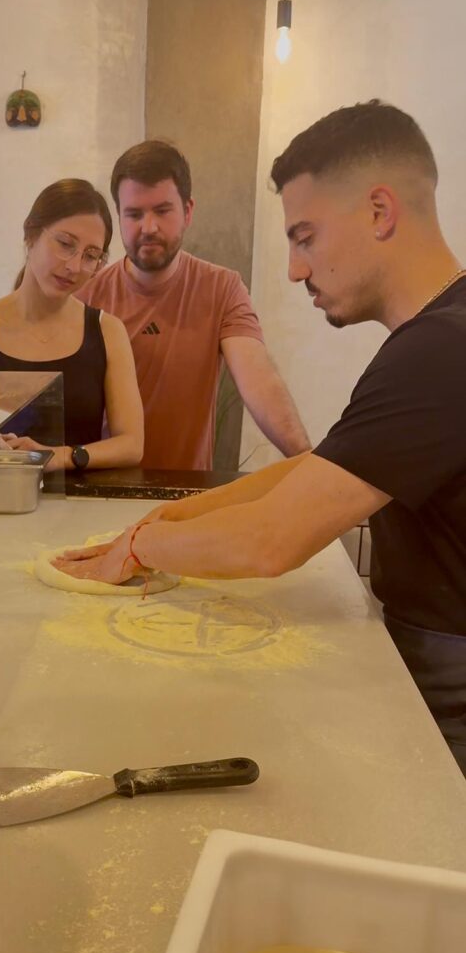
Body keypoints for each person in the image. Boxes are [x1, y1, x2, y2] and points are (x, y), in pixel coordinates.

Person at [59, 100, 466, 773]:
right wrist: (167, 517)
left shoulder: (440, 351)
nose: (294, 270)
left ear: (379, 211)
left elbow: (270, 540)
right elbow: (315, 469)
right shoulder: (435, 338)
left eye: (305, 237)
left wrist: (141, 544)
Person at [77, 140, 310, 471]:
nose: (149, 227)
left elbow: (258, 379)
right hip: (100, 492)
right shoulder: (86, 298)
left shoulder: (221, 288)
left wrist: (306, 460)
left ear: (187, 211)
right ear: (119, 217)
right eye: (134, 214)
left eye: (162, 210)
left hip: (187, 495)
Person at [0, 179, 143, 471]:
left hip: (81, 504)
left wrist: (59, 456)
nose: (74, 266)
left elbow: (131, 444)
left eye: (91, 256)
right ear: (31, 234)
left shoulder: (107, 331)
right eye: (65, 244)